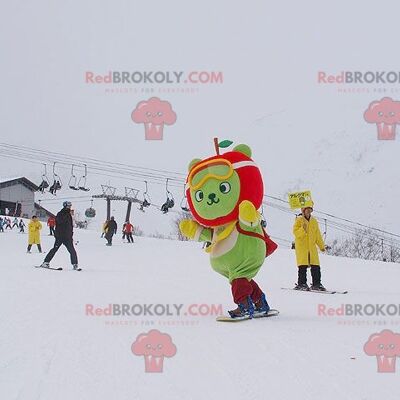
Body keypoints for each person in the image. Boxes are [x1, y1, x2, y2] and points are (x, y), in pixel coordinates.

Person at [292, 204, 326, 291]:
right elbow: (295, 232)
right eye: (307, 210)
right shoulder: (299, 220)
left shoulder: (314, 221)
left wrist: (321, 246)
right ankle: (302, 283)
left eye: (310, 210)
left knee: (316, 266)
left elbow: (317, 234)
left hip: (312, 248)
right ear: (303, 210)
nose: (309, 211)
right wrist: (303, 229)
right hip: (302, 247)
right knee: (302, 266)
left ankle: (316, 284)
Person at [39, 201, 80, 270]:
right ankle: (46, 262)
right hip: (60, 236)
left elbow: (69, 226)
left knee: (72, 250)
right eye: (68, 206)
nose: (69, 207)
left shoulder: (68, 215)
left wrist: (71, 234)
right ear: (65, 206)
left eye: (70, 206)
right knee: (55, 249)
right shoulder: (60, 214)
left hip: (67, 237)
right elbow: (60, 222)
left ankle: (75, 264)